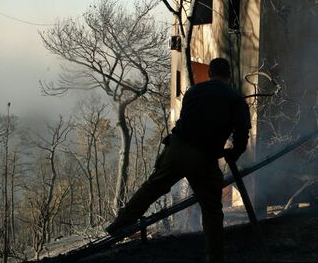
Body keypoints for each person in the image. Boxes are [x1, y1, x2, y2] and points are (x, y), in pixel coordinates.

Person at [105, 57, 251, 262]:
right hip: (203, 157)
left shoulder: (193, 92)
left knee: (153, 187)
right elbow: (242, 135)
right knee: (211, 210)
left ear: (209, 74)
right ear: (229, 75)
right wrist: (233, 154)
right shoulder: (236, 99)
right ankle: (215, 258)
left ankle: (119, 223)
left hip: (176, 147)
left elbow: (187, 121)